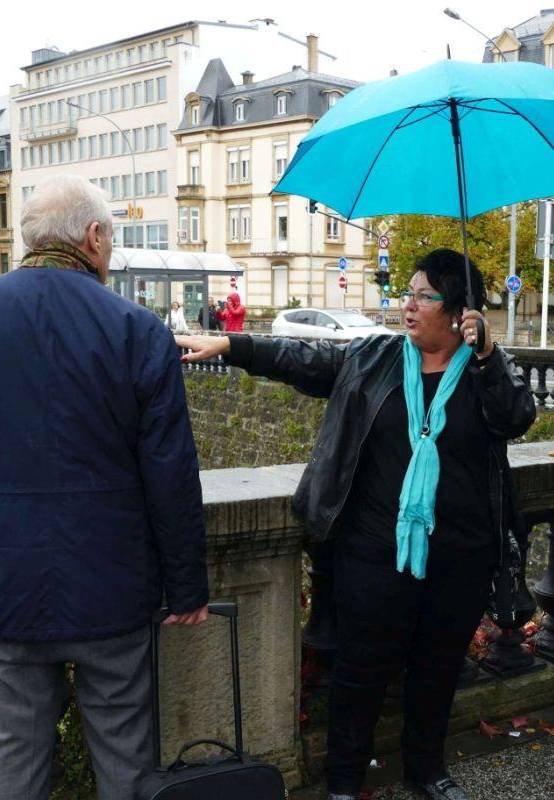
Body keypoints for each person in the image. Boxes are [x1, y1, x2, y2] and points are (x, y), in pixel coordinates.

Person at [177, 248, 535, 800]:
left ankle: (426, 769)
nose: (408, 305)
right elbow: (302, 358)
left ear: (460, 311)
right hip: (374, 552)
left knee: (439, 668)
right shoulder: (375, 358)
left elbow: (516, 417)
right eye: (408, 293)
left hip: (462, 554)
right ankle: (344, 780)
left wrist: (486, 354)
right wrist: (232, 345)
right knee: (361, 669)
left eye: (424, 296)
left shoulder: (486, 370)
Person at [0, 175, 210, 800]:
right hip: (112, 585)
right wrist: (186, 585)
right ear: (93, 237)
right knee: (126, 766)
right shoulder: (137, 329)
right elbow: (170, 473)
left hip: (2, 578)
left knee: (15, 771)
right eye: (111, 239)